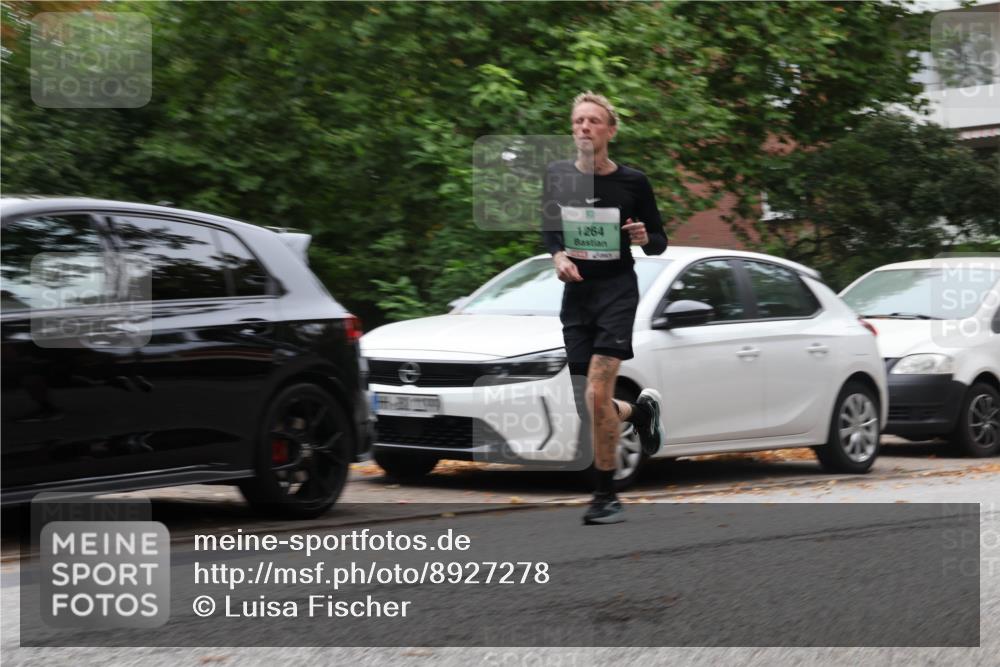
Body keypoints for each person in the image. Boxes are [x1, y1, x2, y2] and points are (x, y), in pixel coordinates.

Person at [541, 91, 668, 525]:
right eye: (578, 121)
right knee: (588, 403)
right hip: (577, 296)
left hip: (617, 291)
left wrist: (643, 237)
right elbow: (550, 230)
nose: (584, 128)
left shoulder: (633, 182)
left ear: (610, 131)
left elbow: (659, 241)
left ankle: (605, 496)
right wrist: (558, 256)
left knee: (597, 393)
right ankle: (639, 412)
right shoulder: (558, 176)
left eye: (594, 121)